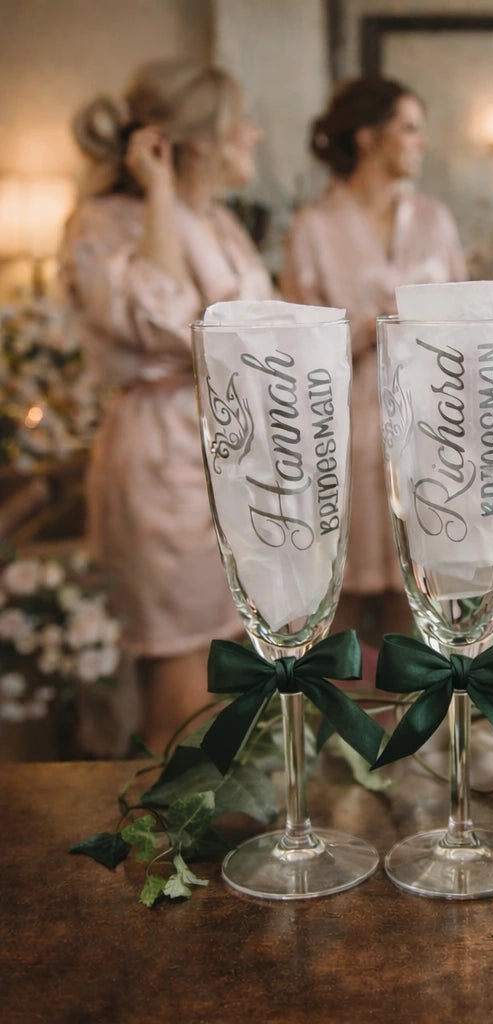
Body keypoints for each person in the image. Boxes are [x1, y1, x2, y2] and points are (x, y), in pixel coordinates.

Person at [61, 58, 274, 754]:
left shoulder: (222, 223)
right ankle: (168, 809)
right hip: (164, 452)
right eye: (240, 121)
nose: (255, 133)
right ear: (196, 141)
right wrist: (156, 192)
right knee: (182, 658)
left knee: (228, 653)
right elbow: (163, 321)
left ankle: (216, 804)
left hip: (232, 451)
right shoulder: (107, 222)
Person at [280, 76, 465, 644]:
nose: (421, 142)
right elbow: (293, 344)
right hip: (341, 426)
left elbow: (467, 319)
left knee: (421, 594)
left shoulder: (434, 220)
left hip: (432, 422)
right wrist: (367, 329)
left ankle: (414, 700)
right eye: (409, 129)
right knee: (338, 594)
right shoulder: (313, 228)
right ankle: (339, 703)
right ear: (367, 137)